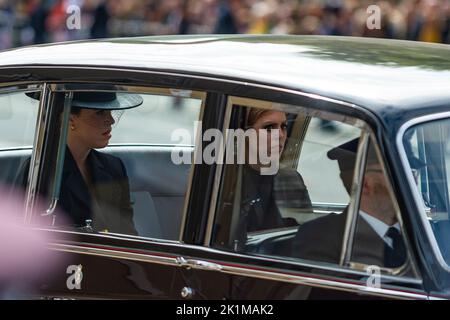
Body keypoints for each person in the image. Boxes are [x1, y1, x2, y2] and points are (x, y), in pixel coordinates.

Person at [16, 90, 143, 235]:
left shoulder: (113, 167)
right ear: (69, 119)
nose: (111, 120)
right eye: (100, 112)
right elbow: (27, 240)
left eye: (110, 111)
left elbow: (127, 235)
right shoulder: (40, 170)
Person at [292, 138, 409, 269]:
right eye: (400, 175)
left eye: (413, 174)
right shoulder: (320, 237)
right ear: (365, 185)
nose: (412, 183)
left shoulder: (420, 230)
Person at [218, 108, 312, 252]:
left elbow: (306, 239)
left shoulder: (290, 179)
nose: (280, 135)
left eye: (283, 127)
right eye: (269, 128)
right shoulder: (222, 177)